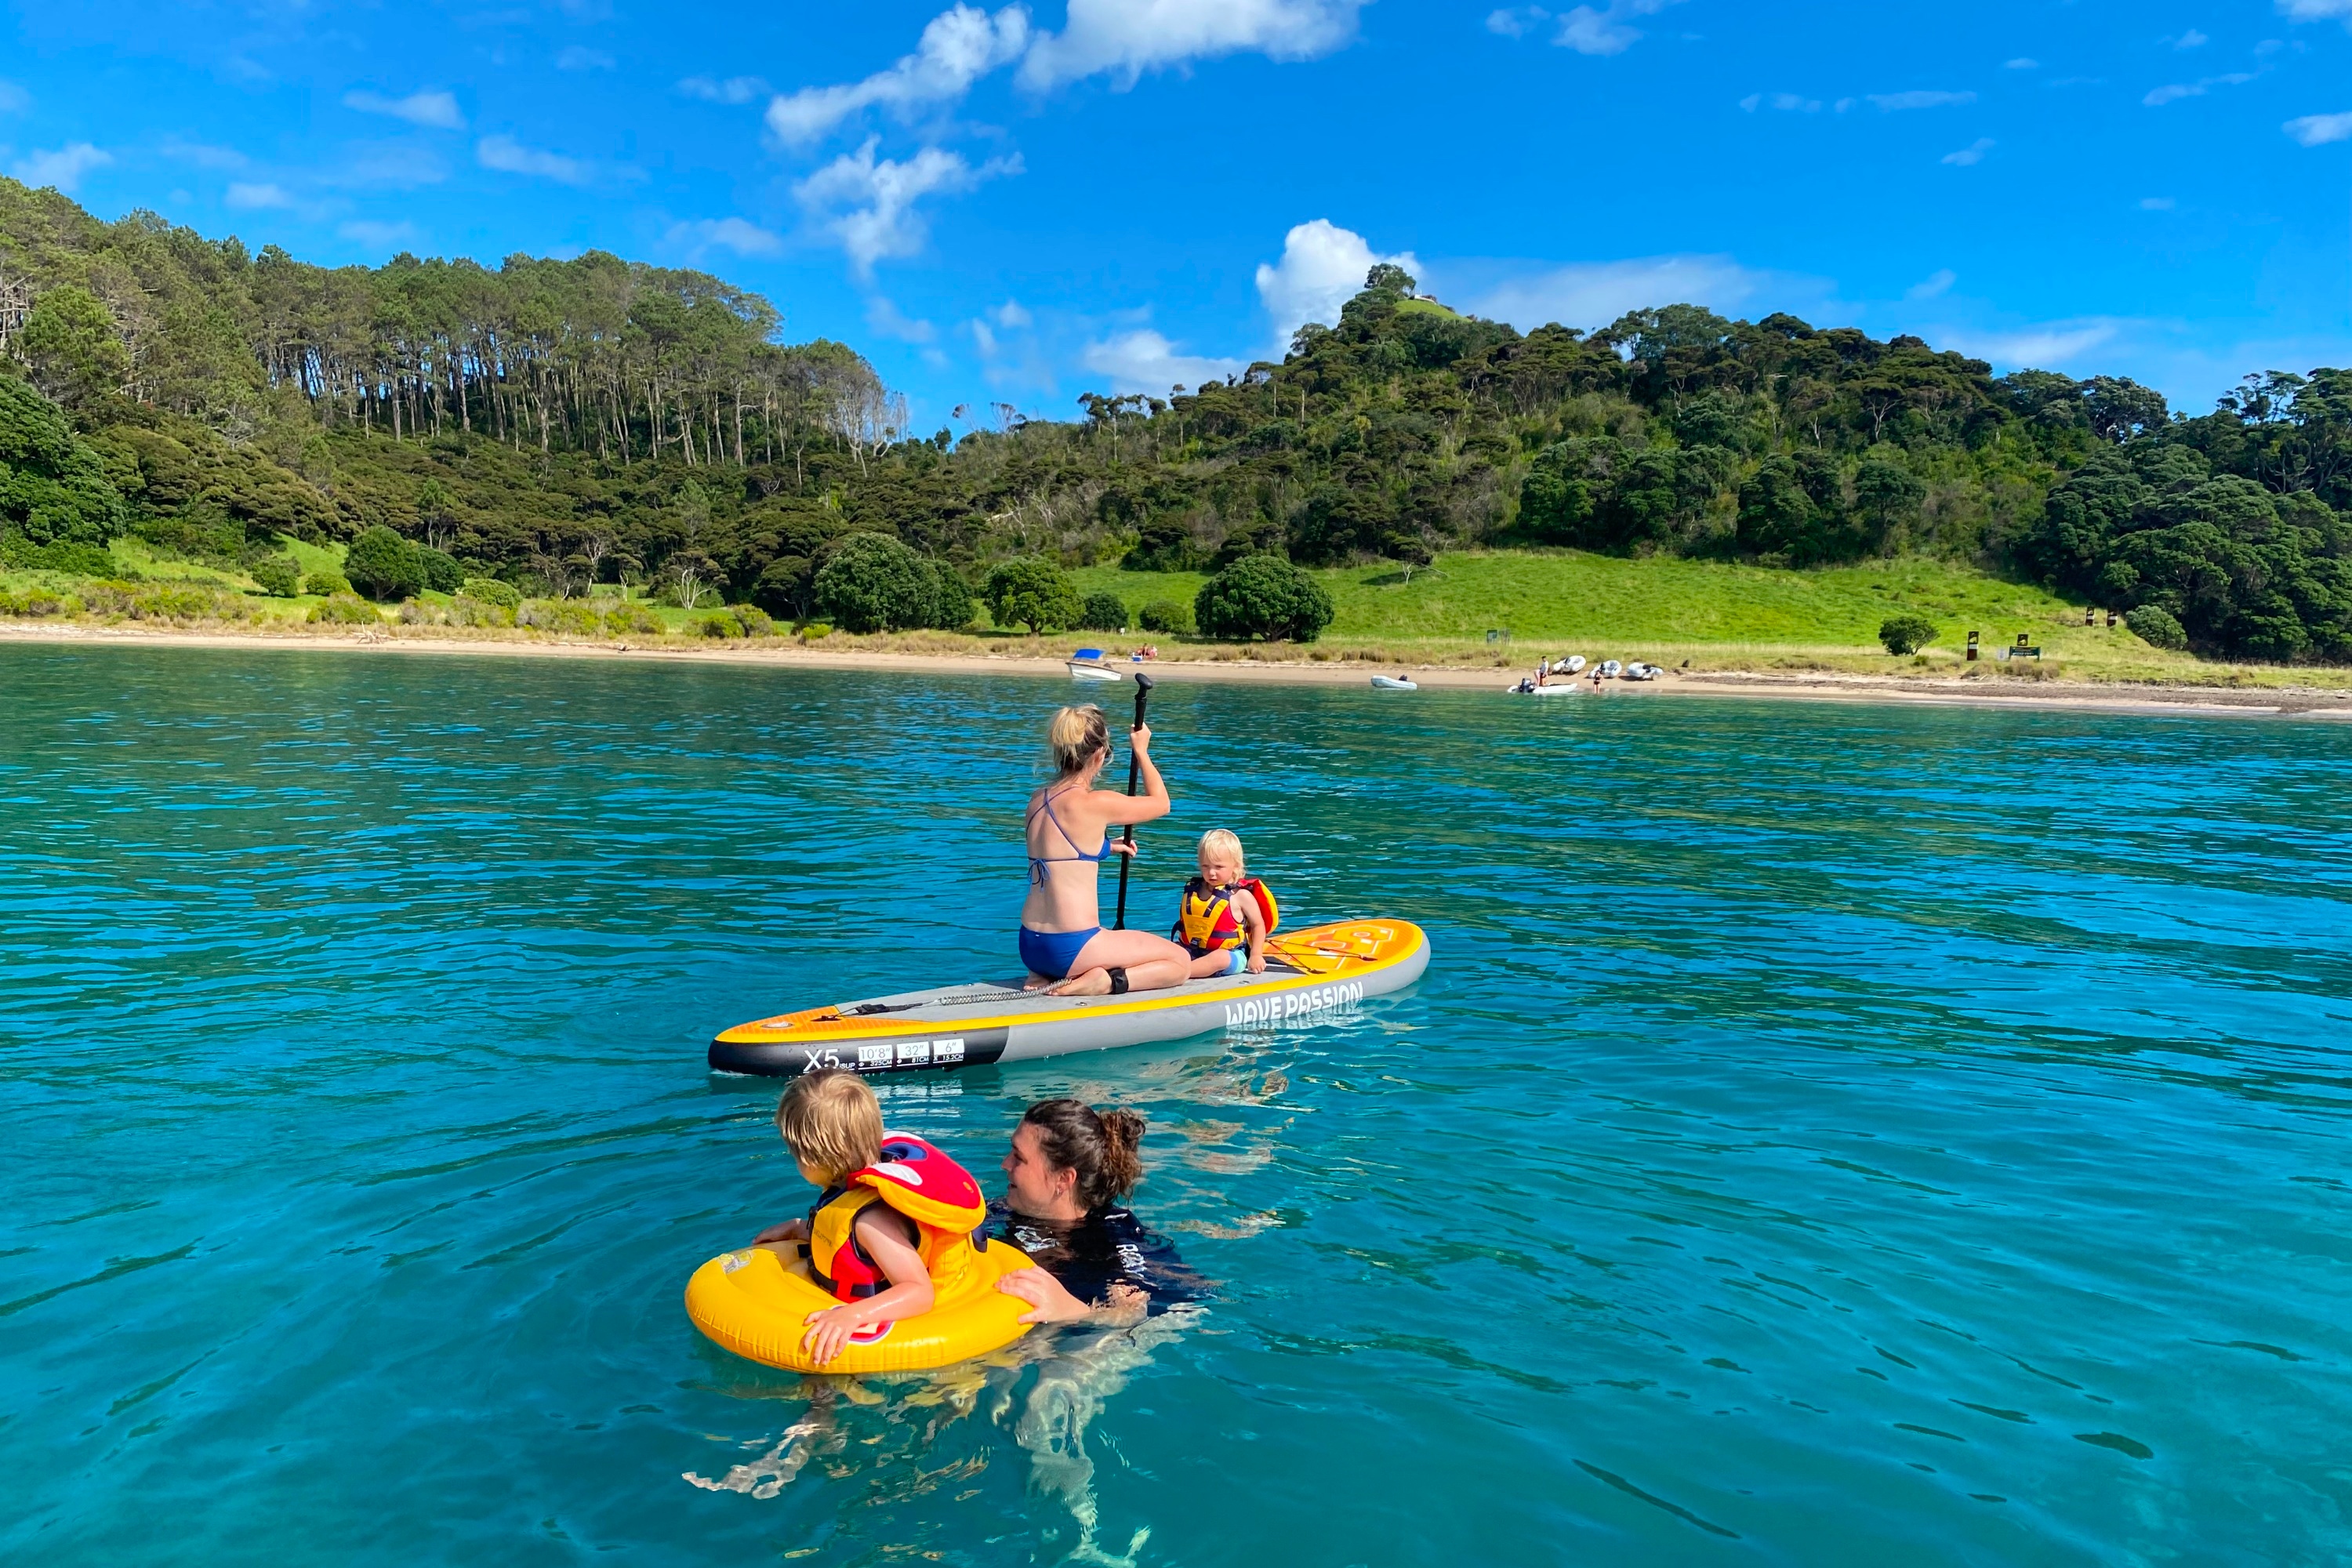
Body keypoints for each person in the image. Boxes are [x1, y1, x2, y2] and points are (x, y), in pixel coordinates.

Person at [749, 1069, 992, 1366]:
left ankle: (822, 1411)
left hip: (898, 1343)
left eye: (794, 1153)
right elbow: (844, 1243)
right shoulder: (849, 1192)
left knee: (818, 1368)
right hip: (849, 1296)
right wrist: (801, 1228)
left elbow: (918, 1291)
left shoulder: (872, 1221)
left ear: (813, 1158)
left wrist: (854, 1316)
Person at [1020, 704, 1194, 996]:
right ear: (1100, 754)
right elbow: (1162, 803)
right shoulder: (1095, 802)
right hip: (1073, 946)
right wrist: (1142, 751)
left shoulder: (1037, 801)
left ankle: (1045, 975)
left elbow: (1059, 854)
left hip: (1031, 946)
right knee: (1180, 962)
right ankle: (1106, 983)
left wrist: (1104, 848)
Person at [992, 1099, 1199, 1324]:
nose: (1005, 1164)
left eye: (1018, 1158)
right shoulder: (998, 1212)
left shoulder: (1112, 1242)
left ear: (1063, 1179)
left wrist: (1077, 1312)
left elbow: (1182, 1305)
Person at [1174, 829, 1273, 979]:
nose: (1211, 873)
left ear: (1236, 866)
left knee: (1220, 958)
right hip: (1192, 951)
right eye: (1205, 866)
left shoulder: (1241, 896)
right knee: (1166, 948)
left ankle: (1177, 973)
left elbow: (1258, 925)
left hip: (1232, 955)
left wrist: (1256, 955)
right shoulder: (1196, 890)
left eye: (1218, 867)